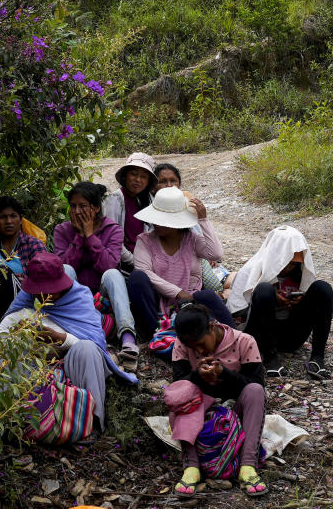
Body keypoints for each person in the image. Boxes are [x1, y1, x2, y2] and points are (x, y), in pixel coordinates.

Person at [0, 252, 137, 436]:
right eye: (39, 291)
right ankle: (9, 419)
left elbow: (95, 344)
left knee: (86, 349)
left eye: (50, 290)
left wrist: (59, 338)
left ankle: (91, 422)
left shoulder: (79, 299)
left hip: (74, 367)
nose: (44, 295)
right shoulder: (26, 302)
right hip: (35, 373)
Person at [169, 304, 267, 497]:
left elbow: (255, 385)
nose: (197, 349)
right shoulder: (181, 345)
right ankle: (191, 466)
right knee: (179, 394)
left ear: (213, 326)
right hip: (200, 413)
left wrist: (225, 374)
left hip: (236, 412)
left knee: (255, 391)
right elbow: (177, 387)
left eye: (200, 343)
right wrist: (197, 375)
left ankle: (248, 466)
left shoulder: (244, 342)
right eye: (191, 346)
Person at [226, 225, 333, 379]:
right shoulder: (250, 271)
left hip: (289, 337)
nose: (289, 267)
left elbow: (313, 306)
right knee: (264, 290)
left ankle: (317, 358)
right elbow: (236, 316)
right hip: (260, 337)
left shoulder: (299, 275)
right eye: (287, 262)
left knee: (323, 288)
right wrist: (270, 300)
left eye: (294, 264)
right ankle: (270, 359)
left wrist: (299, 301)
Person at [127, 186, 234, 337]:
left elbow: (215, 254)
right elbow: (145, 271)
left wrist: (203, 220)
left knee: (208, 296)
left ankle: (233, 338)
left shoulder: (192, 240)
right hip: (158, 301)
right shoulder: (145, 241)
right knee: (137, 278)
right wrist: (178, 293)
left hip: (190, 300)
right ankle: (155, 334)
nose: (158, 223)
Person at [53, 181, 139, 358]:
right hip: (75, 299)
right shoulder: (62, 230)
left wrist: (90, 236)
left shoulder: (112, 229)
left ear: (97, 208)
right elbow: (61, 270)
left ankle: (128, 337)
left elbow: (109, 265)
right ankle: (66, 328)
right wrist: (79, 237)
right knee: (65, 269)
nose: (77, 212)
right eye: (73, 206)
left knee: (113, 274)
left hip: (103, 298)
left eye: (83, 206)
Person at [152, 162, 226, 294]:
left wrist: (206, 254)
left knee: (217, 285)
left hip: (193, 256)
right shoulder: (151, 210)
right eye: (163, 181)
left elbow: (198, 234)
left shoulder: (186, 203)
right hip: (167, 261)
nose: (169, 186)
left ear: (179, 185)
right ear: (153, 187)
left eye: (173, 181)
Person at [0, 196, 47, 324]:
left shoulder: (33, 245)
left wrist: (27, 281)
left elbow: (44, 278)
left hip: (24, 304)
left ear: (20, 220)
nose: (8, 221)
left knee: (5, 274)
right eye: (2, 217)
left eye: (13, 216)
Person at [102, 152, 157, 271]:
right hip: (124, 265)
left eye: (143, 177)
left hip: (147, 262)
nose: (138, 180)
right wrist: (137, 263)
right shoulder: (115, 200)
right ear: (125, 176)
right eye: (133, 174)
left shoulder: (149, 200)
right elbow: (113, 241)